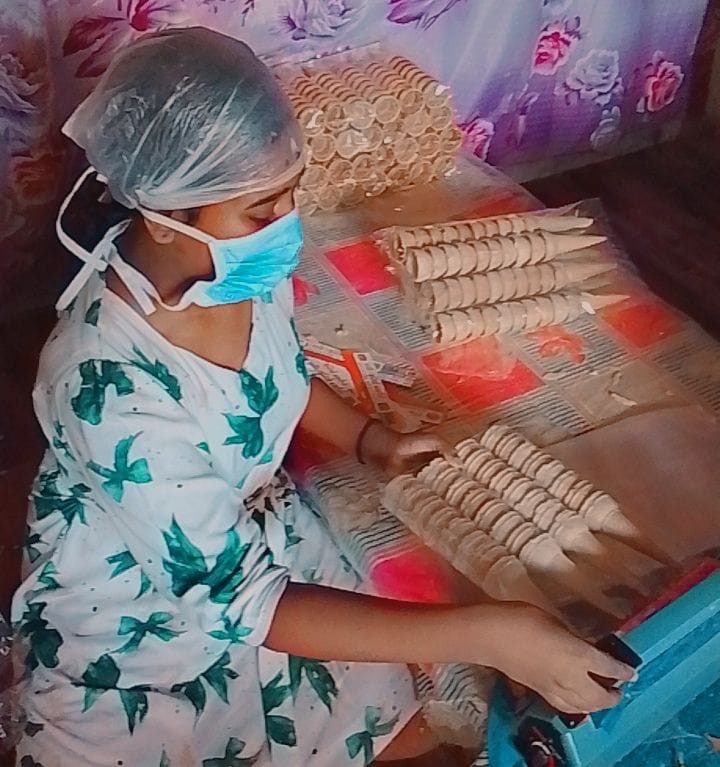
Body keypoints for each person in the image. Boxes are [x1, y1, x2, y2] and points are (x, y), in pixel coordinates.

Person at [11, 27, 634, 767]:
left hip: (250, 541)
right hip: (140, 612)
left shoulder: (233, 274)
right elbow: (246, 600)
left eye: (289, 194)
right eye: (260, 211)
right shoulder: (108, 390)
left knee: (402, 715)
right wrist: (489, 632)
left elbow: (276, 376)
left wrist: (371, 439)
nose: (286, 227)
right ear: (165, 216)